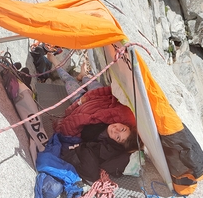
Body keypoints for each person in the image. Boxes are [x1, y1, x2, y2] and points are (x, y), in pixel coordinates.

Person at [45, 53, 142, 183]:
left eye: (118, 137)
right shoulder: (117, 112)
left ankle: (55, 61)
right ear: (125, 124)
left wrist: (78, 103)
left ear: (114, 142)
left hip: (80, 102)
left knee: (69, 82)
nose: (116, 130)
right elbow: (109, 92)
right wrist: (89, 98)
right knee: (92, 83)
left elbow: (73, 124)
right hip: (98, 99)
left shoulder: (99, 141)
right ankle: (83, 75)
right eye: (123, 129)